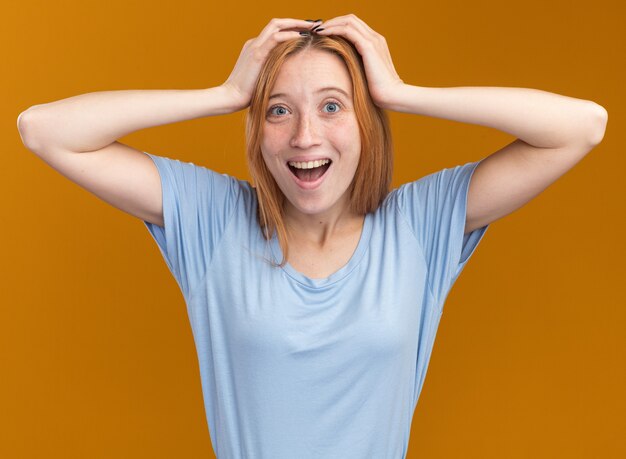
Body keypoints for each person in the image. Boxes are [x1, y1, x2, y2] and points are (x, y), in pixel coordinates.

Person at [17, 14, 607, 459]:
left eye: (332, 106)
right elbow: (43, 130)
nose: (305, 135)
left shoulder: (419, 225)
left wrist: (400, 92)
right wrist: (223, 95)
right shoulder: (214, 218)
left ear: (366, 122)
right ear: (257, 128)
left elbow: (582, 127)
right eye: (278, 110)